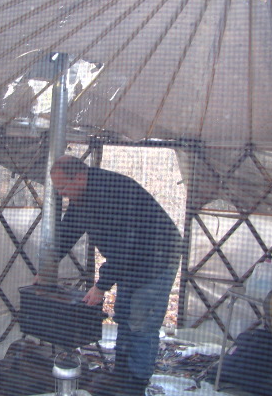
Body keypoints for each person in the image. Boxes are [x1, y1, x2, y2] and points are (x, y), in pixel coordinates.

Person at [44, 155, 183, 396]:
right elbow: (69, 230)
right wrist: (46, 271)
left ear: (78, 176)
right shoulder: (82, 195)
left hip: (157, 258)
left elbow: (125, 246)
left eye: (63, 187)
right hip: (131, 260)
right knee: (124, 316)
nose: (62, 193)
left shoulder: (113, 191)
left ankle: (136, 384)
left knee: (141, 324)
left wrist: (101, 286)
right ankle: (121, 375)